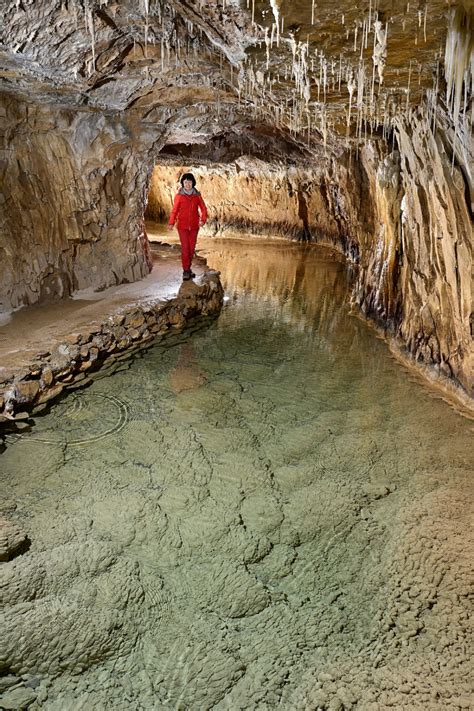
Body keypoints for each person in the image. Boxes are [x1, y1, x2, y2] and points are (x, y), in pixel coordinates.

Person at [168, 173, 208, 280]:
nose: (187, 184)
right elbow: (175, 210)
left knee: (191, 249)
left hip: (194, 227)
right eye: (185, 182)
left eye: (189, 182)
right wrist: (171, 222)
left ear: (193, 183)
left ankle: (188, 268)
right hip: (182, 227)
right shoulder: (179, 196)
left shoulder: (197, 196)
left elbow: (203, 209)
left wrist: (203, 220)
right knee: (185, 249)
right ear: (182, 183)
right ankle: (186, 271)